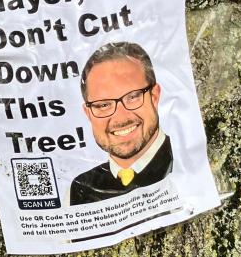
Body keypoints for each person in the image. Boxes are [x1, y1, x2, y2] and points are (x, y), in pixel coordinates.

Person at [69, 40, 173, 206]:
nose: (120, 118)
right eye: (103, 105)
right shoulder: (81, 189)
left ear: (155, 95)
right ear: (88, 113)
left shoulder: (184, 160)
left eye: (132, 97)